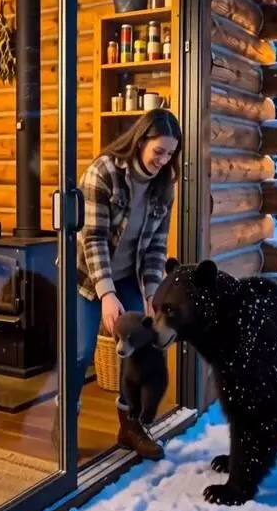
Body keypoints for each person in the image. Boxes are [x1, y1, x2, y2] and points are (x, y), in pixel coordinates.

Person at [52, 108, 182, 460]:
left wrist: (152, 291)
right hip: (86, 275)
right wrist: (107, 294)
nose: (164, 160)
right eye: (159, 151)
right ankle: (65, 422)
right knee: (79, 352)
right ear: (140, 141)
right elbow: (92, 239)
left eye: (170, 153)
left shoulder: (164, 185)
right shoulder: (103, 172)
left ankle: (129, 425)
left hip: (128, 273)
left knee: (142, 343)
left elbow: (156, 246)